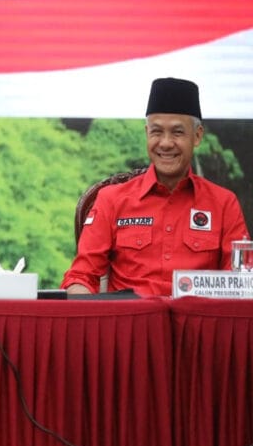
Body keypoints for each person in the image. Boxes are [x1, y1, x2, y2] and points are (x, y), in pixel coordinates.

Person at [61, 77, 249, 296]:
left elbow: (241, 283)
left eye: (177, 132)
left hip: (198, 327)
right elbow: (81, 276)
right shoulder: (111, 199)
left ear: (197, 136)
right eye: (157, 132)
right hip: (129, 326)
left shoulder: (223, 203)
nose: (166, 143)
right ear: (146, 134)